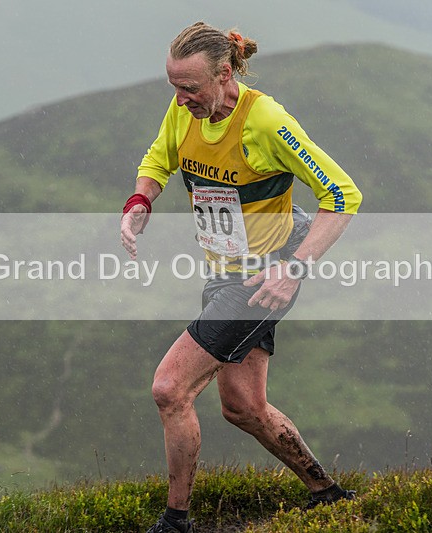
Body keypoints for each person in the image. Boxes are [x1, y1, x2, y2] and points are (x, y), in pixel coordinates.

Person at [120, 21, 363, 533]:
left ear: (224, 73)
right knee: (243, 407)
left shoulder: (265, 120)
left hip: (261, 279)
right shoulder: (185, 108)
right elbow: (159, 157)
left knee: (169, 388)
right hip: (224, 272)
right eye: (174, 88)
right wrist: (141, 199)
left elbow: (342, 195)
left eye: (190, 88)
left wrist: (294, 270)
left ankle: (175, 521)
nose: (181, 99)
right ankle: (328, 493)